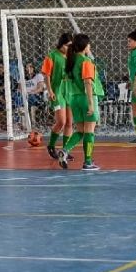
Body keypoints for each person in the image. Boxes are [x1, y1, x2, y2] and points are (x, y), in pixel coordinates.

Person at [57, 33, 100, 170]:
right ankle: (88, 162)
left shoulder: (71, 60)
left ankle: (65, 150)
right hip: (86, 97)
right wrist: (91, 104)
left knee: (80, 130)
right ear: (85, 46)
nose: (90, 46)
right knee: (89, 131)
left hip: (74, 98)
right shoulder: (85, 61)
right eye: (89, 44)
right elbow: (87, 82)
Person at [41, 33, 73, 159]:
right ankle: (51, 145)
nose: (68, 48)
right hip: (58, 91)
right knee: (61, 121)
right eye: (67, 45)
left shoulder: (72, 56)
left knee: (70, 122)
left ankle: (65, 151)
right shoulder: (52, 56)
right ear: (61, 44)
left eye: (71, 46)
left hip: (70, 91)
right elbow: (46, 75)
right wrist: (50, 91)